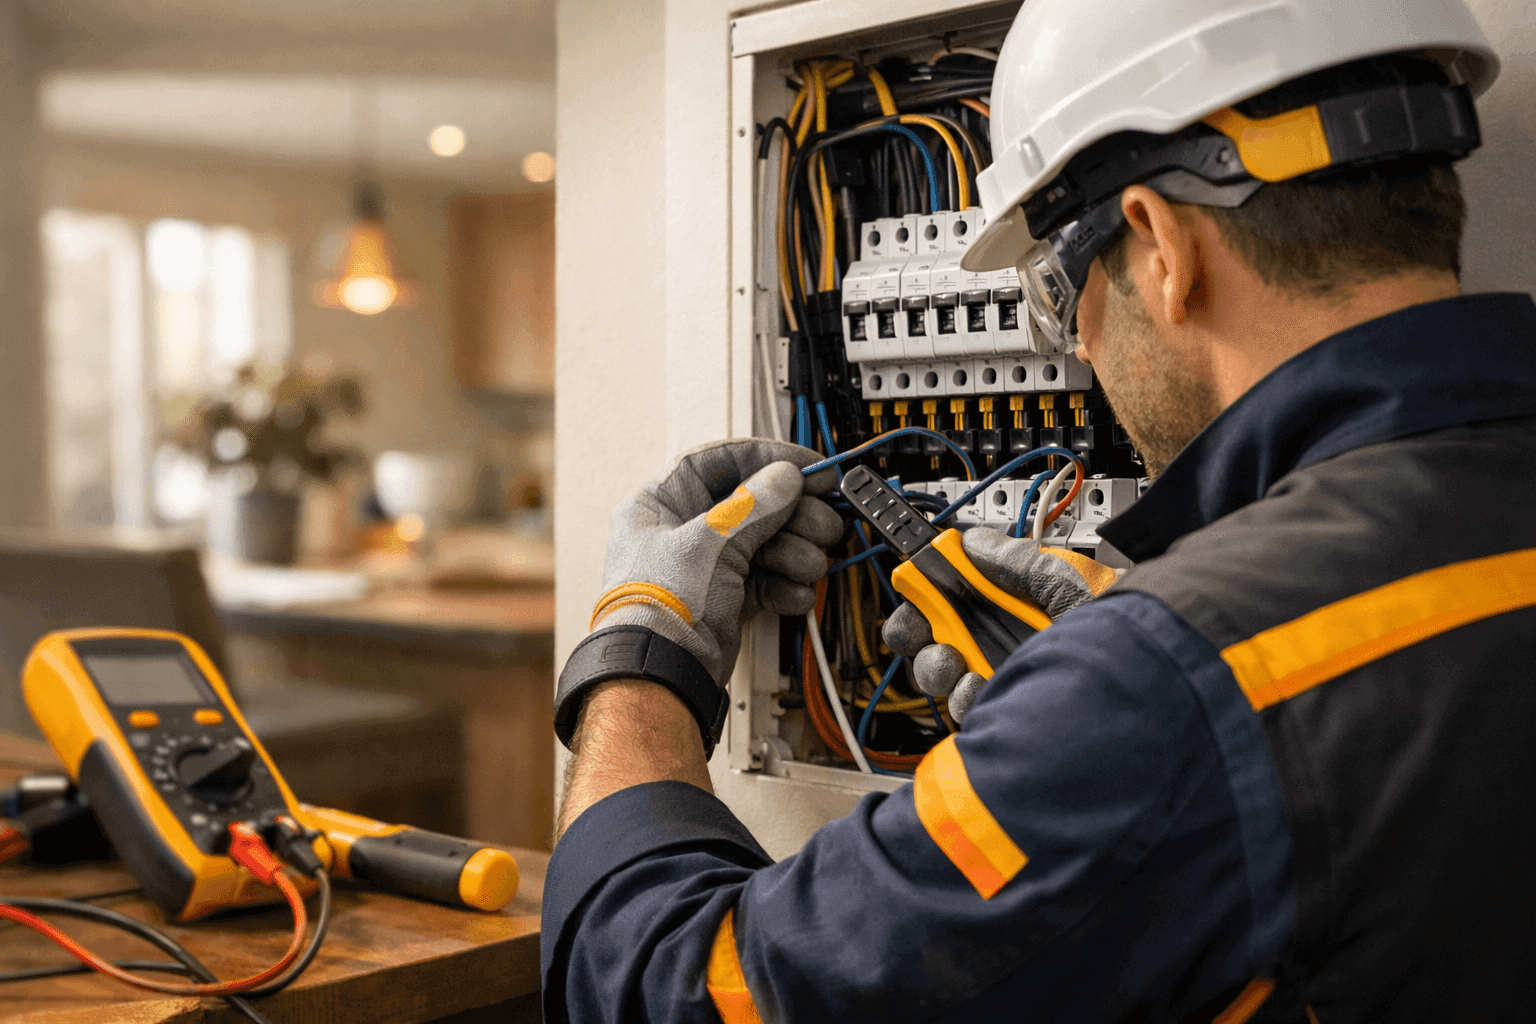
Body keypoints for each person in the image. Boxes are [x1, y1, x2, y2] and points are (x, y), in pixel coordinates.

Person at [542, 1, 1536, 1020]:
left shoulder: (1171, 686)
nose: (1083, 350)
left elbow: (654, 988)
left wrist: (638, 650)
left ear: (1159, 244)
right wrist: (1122, 678)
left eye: (1059, 296)